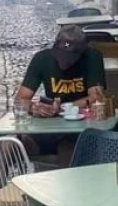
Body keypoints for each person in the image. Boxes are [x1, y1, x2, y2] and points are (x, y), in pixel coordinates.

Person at [13, 26, 106, 164]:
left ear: (81, 53)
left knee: (68, 150)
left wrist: (63, 107)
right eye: (60, 56)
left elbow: (96, 98)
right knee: (10, 146)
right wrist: (34, 107)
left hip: (79, 131)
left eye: (69, 58)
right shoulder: (41, 59)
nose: (63, 62)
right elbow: (20, 99)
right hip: (47, 130)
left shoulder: (92, 57)